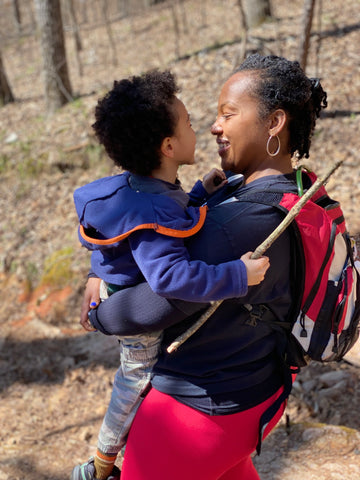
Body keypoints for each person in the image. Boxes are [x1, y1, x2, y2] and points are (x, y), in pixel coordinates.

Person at [79, 54, 328, 479]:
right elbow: (167, 228)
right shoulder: (283, 192)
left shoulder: (239, 222)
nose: (214, 126)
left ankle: (101, 460)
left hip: (193, 415)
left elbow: (158, 300)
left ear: (274, 123)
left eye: (228, 114)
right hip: (245, 398)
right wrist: (100, 269)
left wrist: (97, 314)